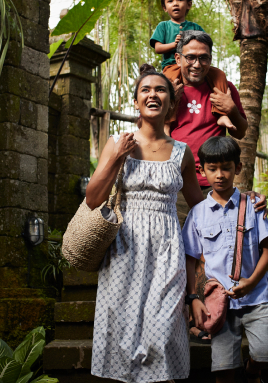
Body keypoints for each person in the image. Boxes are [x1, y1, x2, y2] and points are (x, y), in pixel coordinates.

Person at [84, 64, 205, 382]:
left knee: (163, 334)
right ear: (136, 101)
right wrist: (115, 157)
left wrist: (242, 205)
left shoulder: (183, 153)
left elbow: (201, 206)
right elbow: (93, 199)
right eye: (146, 90)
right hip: (123, 251)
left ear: (170, 101)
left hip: (167, 251)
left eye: (161, 89)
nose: (153, 94)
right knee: (122, 336)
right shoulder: (117, 143)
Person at [183, 136, 268, 383]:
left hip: (255, 297)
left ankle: (251, 371)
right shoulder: (197, 215)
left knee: (265, 353)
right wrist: (194, 298)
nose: (220, 175)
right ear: (201, 170)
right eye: (212, 168)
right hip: (220, 303)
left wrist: (251, 282)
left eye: (226, 167)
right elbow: (191, 260)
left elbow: (267, 251)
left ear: (238, 168)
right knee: (223, 368)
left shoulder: (254, 205)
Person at [168, 30, 250, 222]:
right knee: (179, 243)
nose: (197, 64)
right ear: (178, 59)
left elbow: (240, 132)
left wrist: (231, 109)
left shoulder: (224, 89)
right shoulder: (168, 90)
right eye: (191, 58)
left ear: (210, 59)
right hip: (176, 182)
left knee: (215, 244)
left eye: (204, 58)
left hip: (215, 182)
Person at [150, 0, 234, 130]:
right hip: (171, 66)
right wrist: (173, 44)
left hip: (194, 64)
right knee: (169, 89)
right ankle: (167, 123)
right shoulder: (163, 26)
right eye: (170, 1)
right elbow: (157, 48)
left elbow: (205, 44)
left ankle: (221, 115)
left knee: (219, 75)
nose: (175, 3)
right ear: (164, 7)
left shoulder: (196, 27)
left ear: (188, 4)